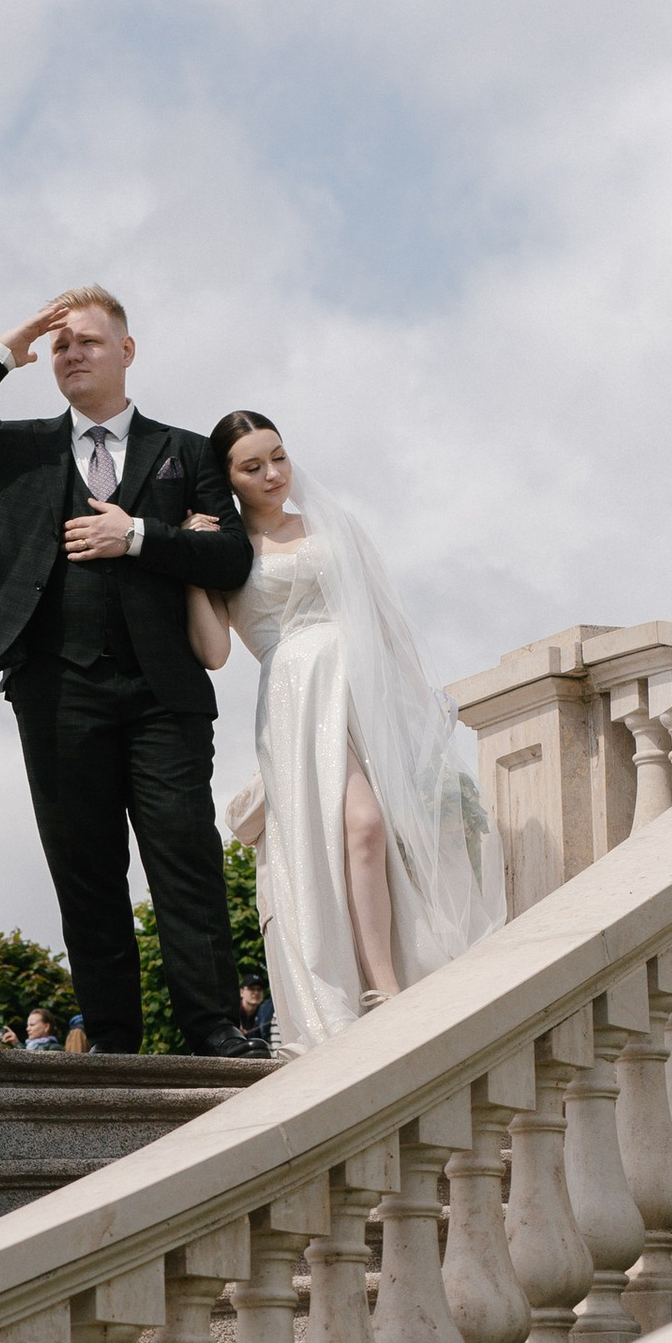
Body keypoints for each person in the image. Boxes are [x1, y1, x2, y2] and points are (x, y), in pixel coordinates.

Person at [0, 290, 255, 1056]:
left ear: (126, 352)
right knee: (85, 872)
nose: (71, 354)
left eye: (88, 342)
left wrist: (137, 534)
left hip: (163, 694)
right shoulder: (21, 448)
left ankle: (214, 1029)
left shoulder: (187, 450)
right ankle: (110, 1037)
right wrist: (6, 347)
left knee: (185, 861)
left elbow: (232, 555)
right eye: (59, 345)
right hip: (56, 692)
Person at [186, 414, 502, 1051]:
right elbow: (215, 651)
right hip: (299, 698)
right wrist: (191, 566)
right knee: (362, 826)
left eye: (278, 457)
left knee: (387, 833)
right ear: (227, 480)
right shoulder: (227, 550)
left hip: (365, 687)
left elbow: (385, 620)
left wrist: (421, 703)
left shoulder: (330, 526)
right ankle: (376, 986)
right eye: (252, 466)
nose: (273, 474)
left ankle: (390, 977)